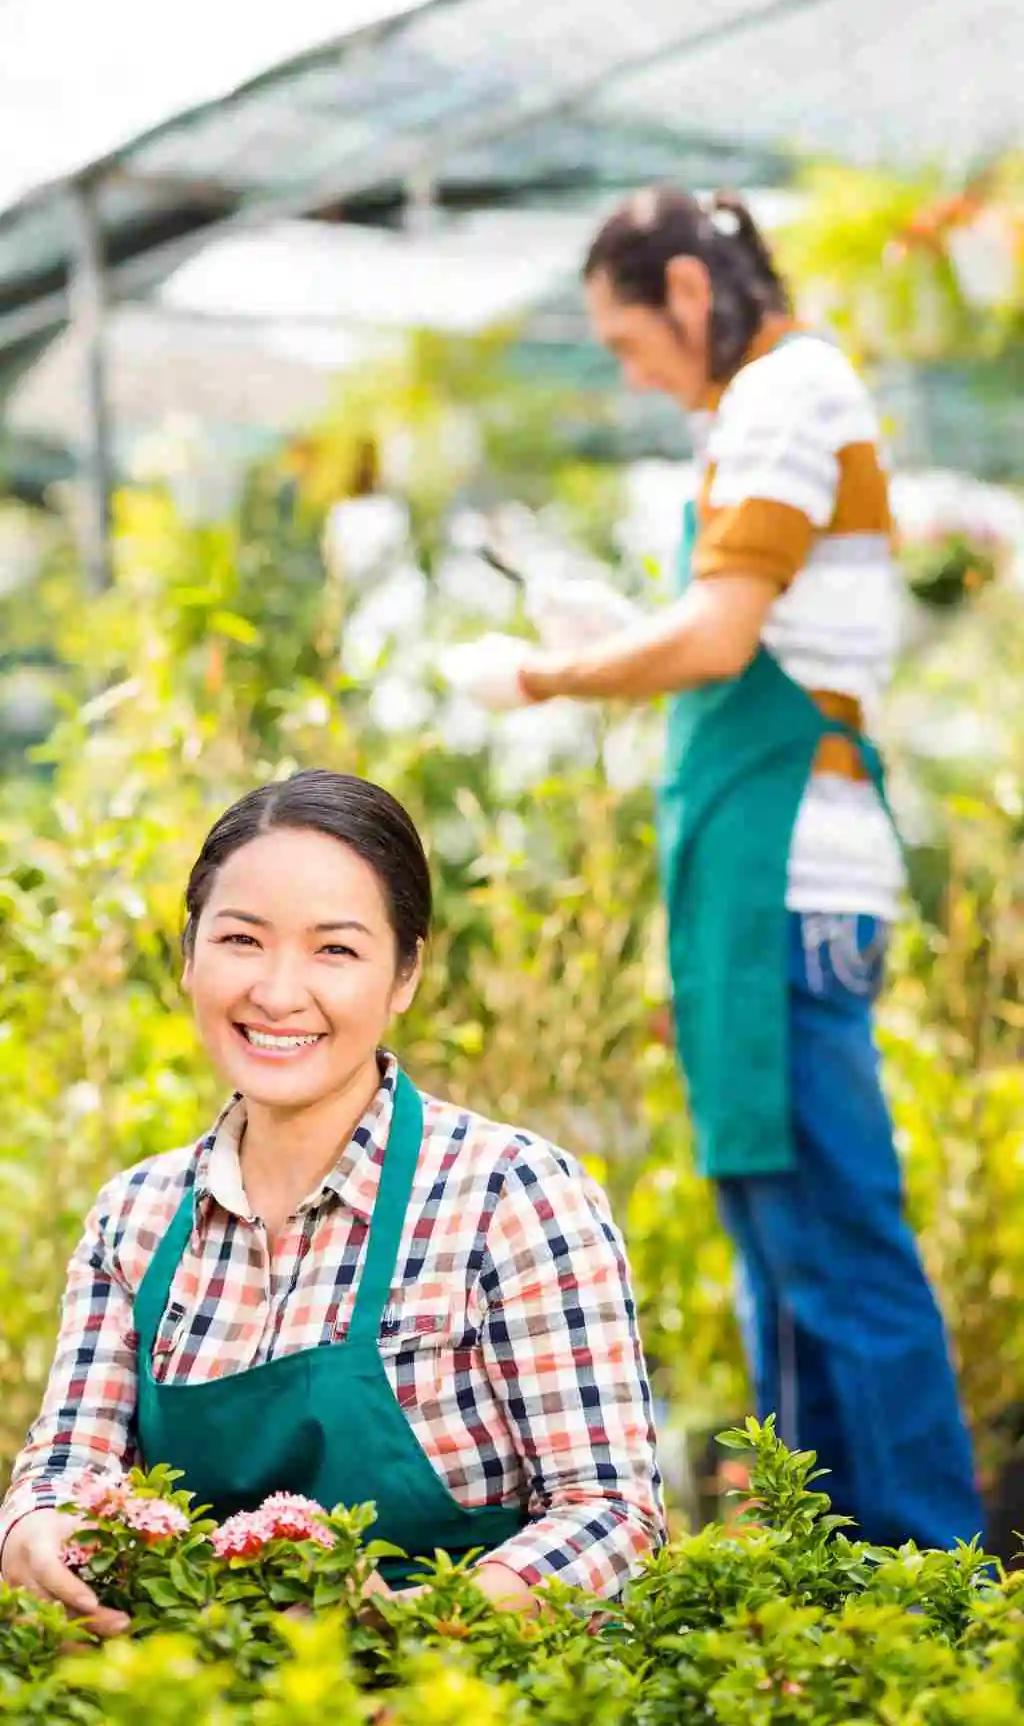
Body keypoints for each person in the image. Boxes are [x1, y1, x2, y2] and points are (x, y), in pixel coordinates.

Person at [441, 187, 983, 1550]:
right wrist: (631, 627)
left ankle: (929, 1578)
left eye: (631, 341)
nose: (632, 373)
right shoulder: (769, 409)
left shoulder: (782, 397)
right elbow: (747, 631)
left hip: (784, 878)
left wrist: (549, 673)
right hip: (761, 878)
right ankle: (837, 1576)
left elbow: (723, 642)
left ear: (689, 290)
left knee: (834, 1254)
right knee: (782, 1251)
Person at [0, 770, 663, 1635]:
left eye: (335, 950)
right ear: (189, 953)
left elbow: (612, 1515)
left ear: (405, 975)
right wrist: (39, 1532)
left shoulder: (510, 1195)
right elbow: (65, 1468)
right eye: (241, 939)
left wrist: (414, 1627)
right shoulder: (136, 1218)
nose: (278, 993)